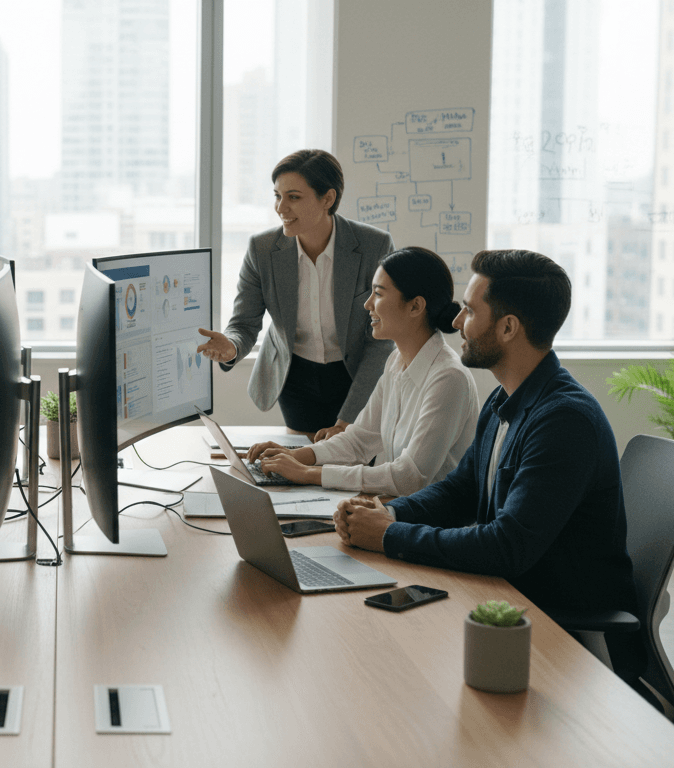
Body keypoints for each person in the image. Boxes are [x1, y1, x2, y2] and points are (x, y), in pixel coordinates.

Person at [332, 249, 643, 682]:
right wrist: (391, 514)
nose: (456, 322)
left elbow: (506, 546)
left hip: (564, 634)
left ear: (508, 327)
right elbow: (461, 488)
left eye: (469, 311)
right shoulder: (505, 398)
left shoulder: (564, 421)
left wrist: (390, 536)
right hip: (507, 602)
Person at [245, 247, 479, 497]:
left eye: (378, 294)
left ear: (415, 306)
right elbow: (358, 440)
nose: (368, 304)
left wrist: (307, 473)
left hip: (431, 528)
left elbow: (409, 477)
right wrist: (294, 455)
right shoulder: (396, 361)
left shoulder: (448, 378)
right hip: (393, 511)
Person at [197, 149, 395, 439]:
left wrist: (346, 420)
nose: (280, 208)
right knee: (300, 464)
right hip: (295, 374)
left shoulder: (373, 245)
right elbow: (244, 323)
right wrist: (232, 347)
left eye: (294, 197)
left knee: (354, 461)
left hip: (355, 373)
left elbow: (381, 338)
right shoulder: (262, 249)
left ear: (327, 198)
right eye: (277, 196)